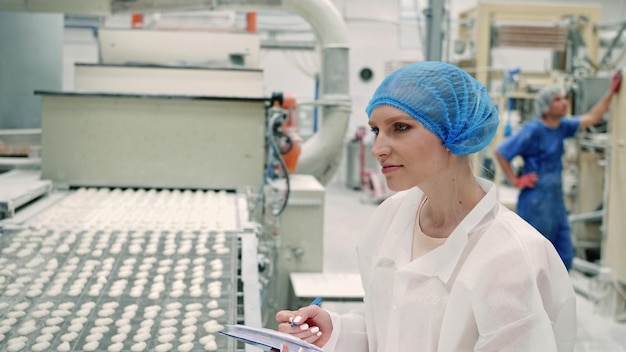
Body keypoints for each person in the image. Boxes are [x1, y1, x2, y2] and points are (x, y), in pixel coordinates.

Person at [272, 61, 577, 352]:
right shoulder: (390, 217)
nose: (378, 149)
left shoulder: (511, 257)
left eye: (400, 127)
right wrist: (338, 333)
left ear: (454, 132)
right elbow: (394, 326)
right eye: (376, 130)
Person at [494, 71, 622, 271]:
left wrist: (611, 92)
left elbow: (593, 118)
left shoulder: (562, 126)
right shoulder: (533, 130)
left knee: (563, 256)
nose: (564, 102)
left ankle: (556, 299)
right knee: (533, 257)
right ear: (546, 107)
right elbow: (501, 152)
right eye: (558, 100)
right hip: (535, 201)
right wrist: (516, 180)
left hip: (555, 202)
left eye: (564, 98)